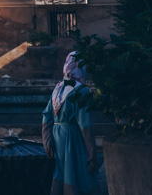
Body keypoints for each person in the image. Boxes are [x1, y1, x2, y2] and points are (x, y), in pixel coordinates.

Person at [41, 51, 100, 195]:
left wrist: (48, 141)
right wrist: (92, 152)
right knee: (79, 173)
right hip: (72, 138)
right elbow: (85, 125)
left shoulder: (58, 87)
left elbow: (46, 116)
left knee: (61, 172)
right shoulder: (80, 90)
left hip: (57, 137)